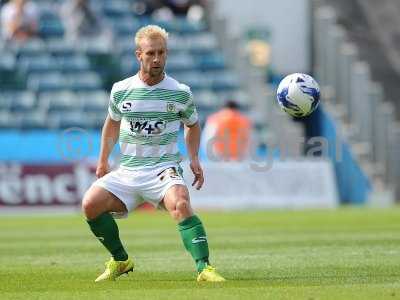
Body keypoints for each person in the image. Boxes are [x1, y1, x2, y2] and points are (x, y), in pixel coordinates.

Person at [82, 25, 225, 283]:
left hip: (163, 169)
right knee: (90, 204)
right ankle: (120, 260)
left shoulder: (180, 92)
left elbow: (192, 124)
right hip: (127, 171)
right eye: (150, 53)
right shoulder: (121, 89)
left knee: (181, 204)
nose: (157, 59)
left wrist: (193, 158)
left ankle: (204, 268)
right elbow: (112, 123)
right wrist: (103, 159)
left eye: (161, 53)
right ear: (139, 55)